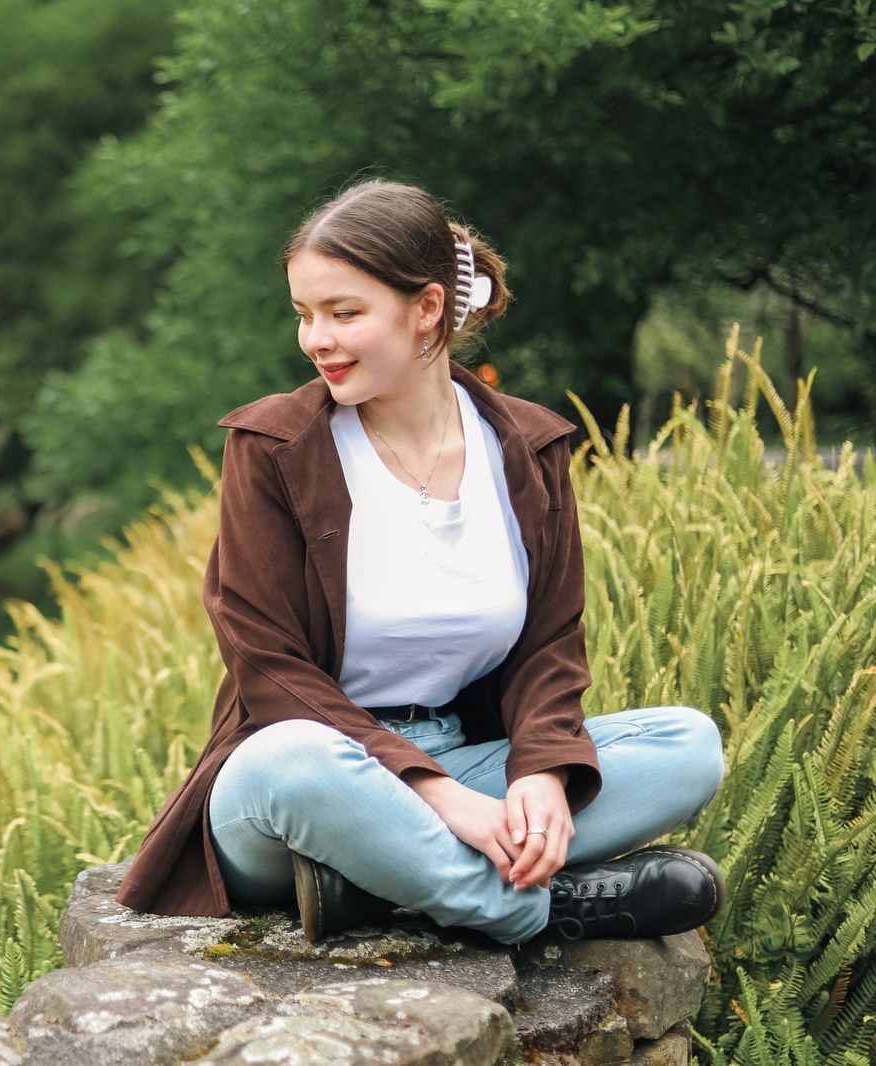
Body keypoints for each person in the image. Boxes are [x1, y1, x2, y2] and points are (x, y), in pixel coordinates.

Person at [112, 179, 727, 946]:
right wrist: (437, 796)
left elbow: (549, 647)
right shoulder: (274, 448)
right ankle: (538, 907)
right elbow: (267, 668)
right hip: (310, 783)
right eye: (305, 314)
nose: (316, 339)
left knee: (689, 745)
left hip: (468, 758)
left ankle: (373, 885)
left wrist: (540, 771)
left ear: (427, 308)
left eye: (344, 313)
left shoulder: (529, 449)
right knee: (293, 762)